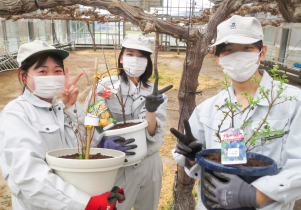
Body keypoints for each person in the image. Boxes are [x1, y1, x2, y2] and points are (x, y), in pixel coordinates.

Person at [171, 15, 301, 210]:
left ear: (262, 52)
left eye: (247, 48)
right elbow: (196, 167)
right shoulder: (207, 109)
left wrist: (253, 195)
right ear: (218, 59)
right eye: (229, 50)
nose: (238, 55)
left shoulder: (292, 103)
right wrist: (192, 156)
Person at [0, 40, 125, 210]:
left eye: (57, 71)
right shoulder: (16, 114)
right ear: (23, 75)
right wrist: (85, 203)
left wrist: (72, 107)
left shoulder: (61, 107)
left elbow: (82, 147)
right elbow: (28, 176)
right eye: (43, 71)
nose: (51, 76)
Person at [85, 34, 173, 210]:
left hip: (149, 162)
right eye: (130, 54)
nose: (136, 60)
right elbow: (92, 122)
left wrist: (151, 110)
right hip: (119, 163)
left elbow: (154, 134)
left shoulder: (153, 92)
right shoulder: (107, 87)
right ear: (121, 58)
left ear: (148, 61)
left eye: (142, 56)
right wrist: (102, 142)